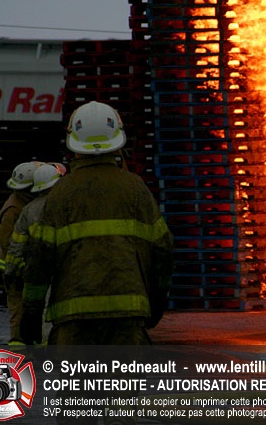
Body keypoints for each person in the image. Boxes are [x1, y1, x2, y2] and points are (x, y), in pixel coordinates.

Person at [22, 101, 174, 347]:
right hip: (127, 322)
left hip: (73, 324)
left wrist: (31, 313)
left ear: (73, 143)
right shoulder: (136, 190)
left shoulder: (61, 194)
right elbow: (163, 251)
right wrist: (156, 303)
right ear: (118, 141)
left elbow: (39, 259)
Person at [2, 163, 66, 345]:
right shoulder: (67, 205)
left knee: (38, 311)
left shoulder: (28, 210)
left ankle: (40, 348)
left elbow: (16, 245)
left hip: (35, 270)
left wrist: (10, 270)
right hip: (63, 268)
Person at [0, 161, 43, 347]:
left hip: (20, 264)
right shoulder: (14, 209)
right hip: (14, 268)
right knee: (18, 307)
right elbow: (7, 243)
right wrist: (20, 267)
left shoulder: (22, 203)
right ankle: (18, 344)